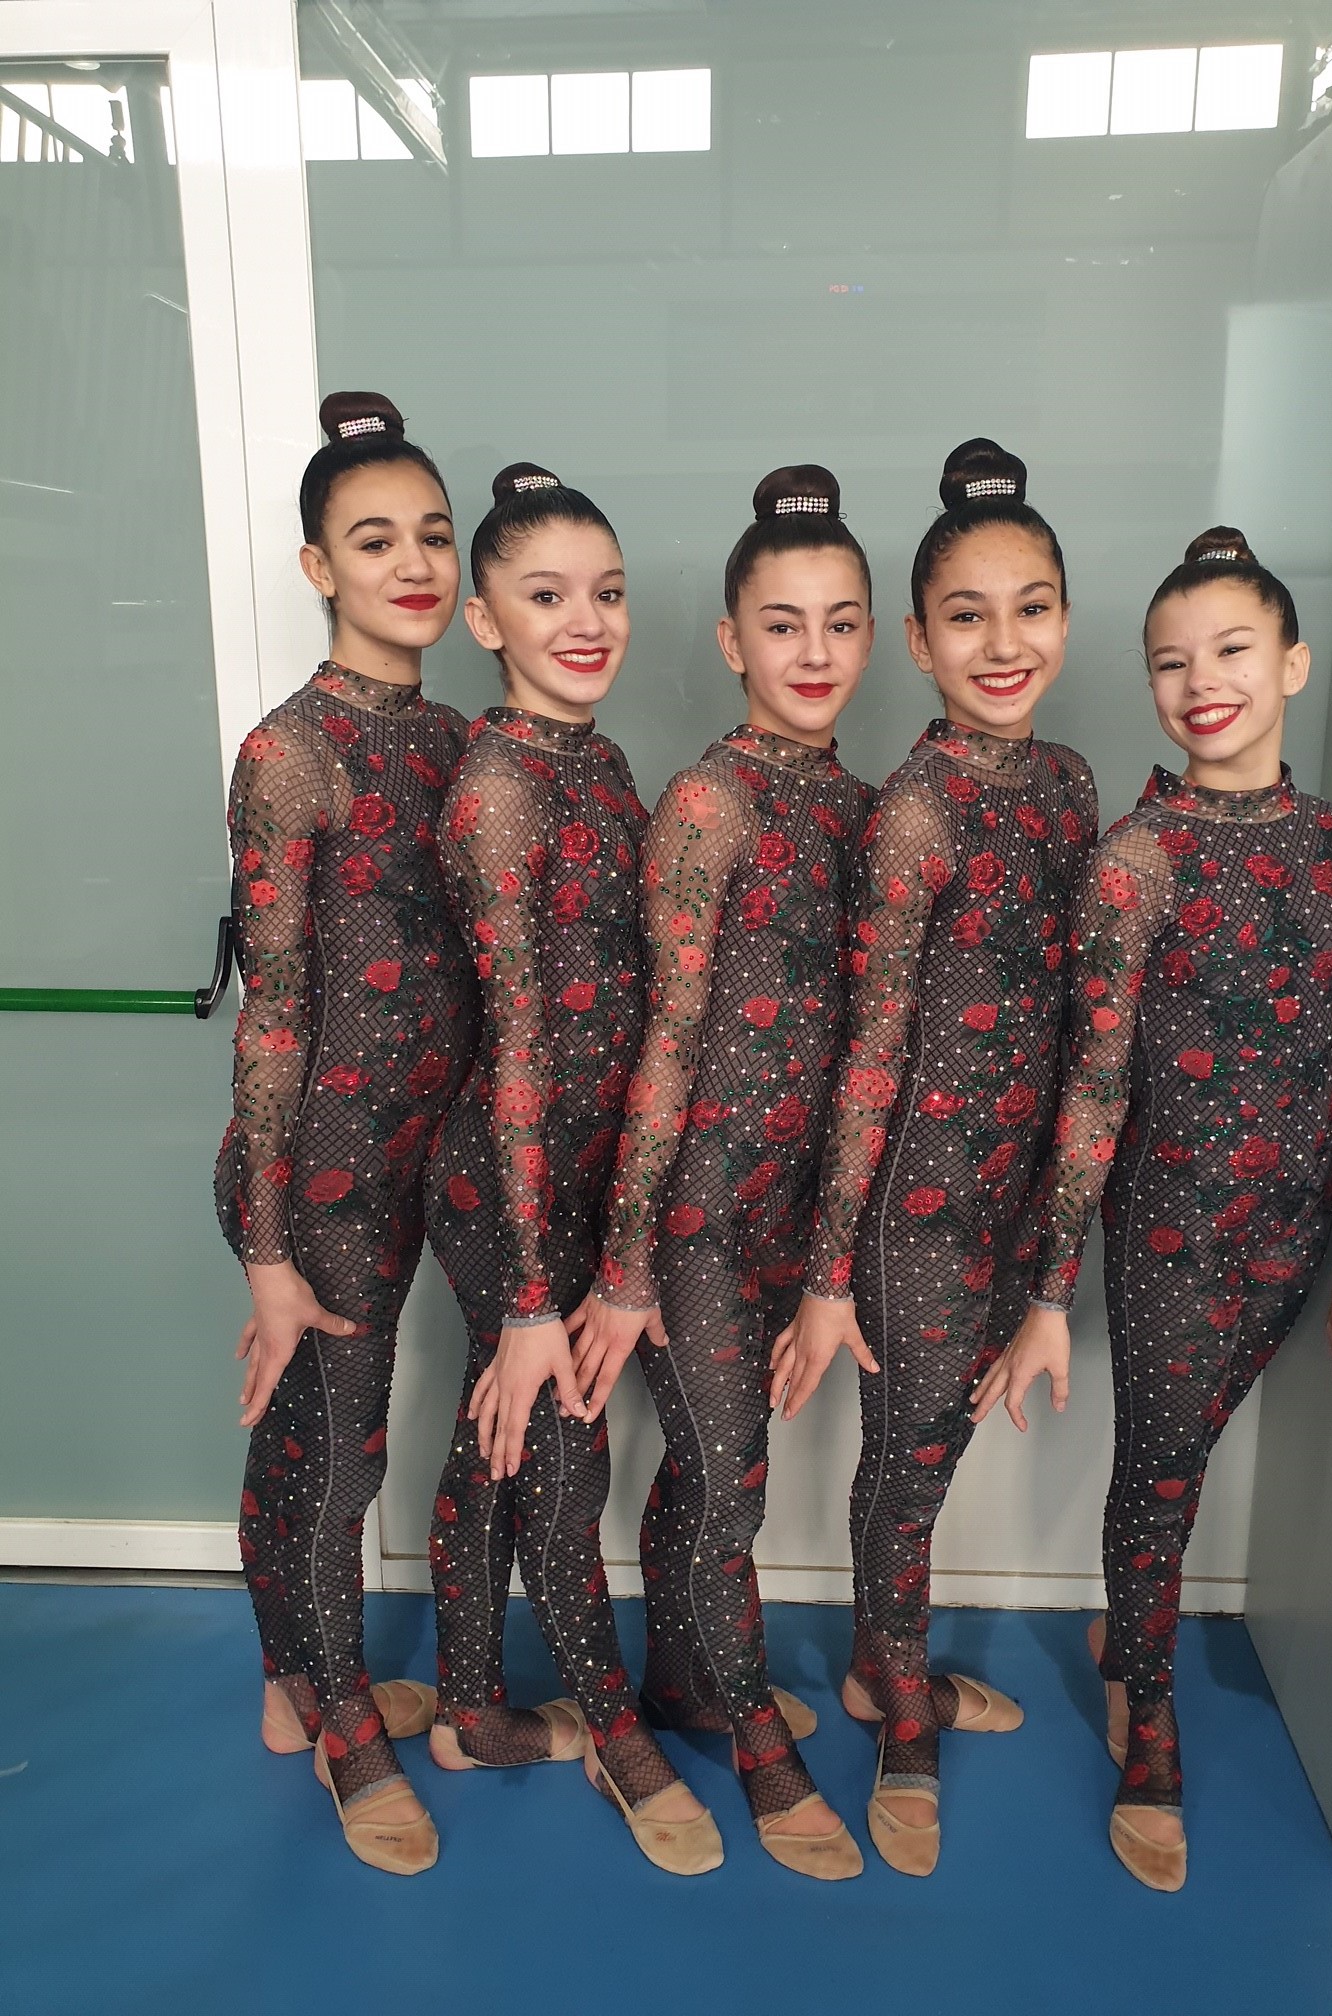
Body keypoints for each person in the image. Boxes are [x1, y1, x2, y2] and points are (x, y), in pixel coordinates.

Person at [978, 526, 1332, 1891]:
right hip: (1170, 1229)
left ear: (1292, 662)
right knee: (1159, 1473)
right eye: (1171, 663)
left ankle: (1129, 1623)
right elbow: (1093, 1086)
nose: (1201, 682)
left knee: (1193, 1456)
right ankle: (1147, 1714)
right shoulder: (1135, 860)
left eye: (1230, 650)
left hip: (1296, 1237)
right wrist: (1050, 1294)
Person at [772, 440, 1098, 1875]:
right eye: (968, 616)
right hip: (914, 1199)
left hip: (1020, 1189)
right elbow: (871, 1052)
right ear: (918, 641)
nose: (1003, 642)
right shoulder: (913, 810)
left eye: (1031, 608)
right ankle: (898, 1709)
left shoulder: (1071, 783)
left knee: (944, 1443)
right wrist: (832, 1268)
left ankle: (873, 1662)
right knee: (905, 1467)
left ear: (1066, 619)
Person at [567, 465, 874, 1879]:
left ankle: (687, 1681)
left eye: (840, 624)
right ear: (732, 640)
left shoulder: (861, 804)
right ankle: (753, 1740)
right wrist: (628, 1262)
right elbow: (669, 1041)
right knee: (730, 1479)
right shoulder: (706, 801)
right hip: (693, 1205)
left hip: (793, 1203)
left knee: (710, 1468)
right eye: (783, 625)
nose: (814, 654)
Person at [423, 464, 721, 1877]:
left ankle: (469, 1709)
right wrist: (536, 1293)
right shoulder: (495, 791)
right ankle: (612, 1730)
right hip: (506, 1178)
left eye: (605, 593)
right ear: (485, 619)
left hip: (586, 1164)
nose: (586, 621)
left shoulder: (595, 764)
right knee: (557, 1441)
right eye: (547, 597)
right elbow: (519, 1047)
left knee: (494, 1433)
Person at [217, 392, 473, 1874]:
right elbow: (271, 1016)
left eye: (433, 536)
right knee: (336, 1456)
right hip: (316, 1170)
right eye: (375, 542)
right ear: (320, 568)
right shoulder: (290, 754)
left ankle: (291, 1679)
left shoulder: (460, 741)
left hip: (437, 1151)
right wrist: (266, 1248)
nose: (413, 565)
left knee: (316, 1444)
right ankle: (341, 1730)